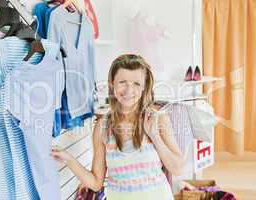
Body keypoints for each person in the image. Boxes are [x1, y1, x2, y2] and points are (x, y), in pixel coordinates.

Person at [52, 54, 185, 199]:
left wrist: (155, 136)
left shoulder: (157, 119)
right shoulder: (103, 128)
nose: (129, 90)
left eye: (136, 84)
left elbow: (177, 168)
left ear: (144, 87)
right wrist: (68, 159)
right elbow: (96, 183)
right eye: (122, 82)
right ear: (111, 84)